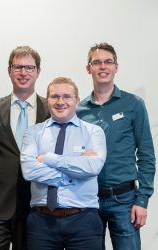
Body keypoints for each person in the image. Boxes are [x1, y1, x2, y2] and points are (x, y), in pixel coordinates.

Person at [77, 42, 156, 250]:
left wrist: (142, 200)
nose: (103, 66)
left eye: (108, 62)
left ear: (116, 67)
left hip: (125, 201)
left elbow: (147, 155)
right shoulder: (79, 111)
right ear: (88, 69)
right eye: (97, 62)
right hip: (88, 200)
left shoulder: (133, 104)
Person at [0, 45, 49, 250]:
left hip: (35, 205)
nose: (23, 73)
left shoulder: (51, 111)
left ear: (38, 72)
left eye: (29, 67)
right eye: (17, 67)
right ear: (9, 70)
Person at [21, 77, 106, 250]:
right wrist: (75, 170)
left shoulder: (93, 132)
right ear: (47, 101)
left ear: (77, 101)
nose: (61, 102)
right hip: (42, 223)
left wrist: (47, 159)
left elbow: (93, 167)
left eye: (67, 96)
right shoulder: (33, 132)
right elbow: (29, 171)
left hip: (84, 221)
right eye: (55, 96)